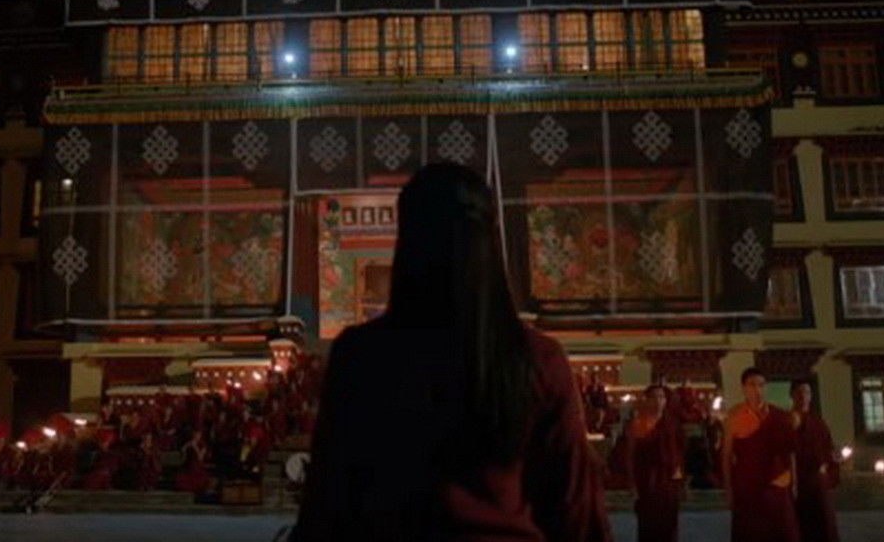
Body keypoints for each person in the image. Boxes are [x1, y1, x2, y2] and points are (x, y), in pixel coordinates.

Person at [290, 164, 610, 542]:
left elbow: (329, 505)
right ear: (491, 245)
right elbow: (576, 513)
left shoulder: (359, 357)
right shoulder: (537, 359)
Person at [722, 367, 800, 542]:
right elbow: (726, 456)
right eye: (752, 385)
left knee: (783, 533)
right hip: (747, 487)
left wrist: (794, 483)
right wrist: (728, 489)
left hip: (777, 483)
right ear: (743, 388)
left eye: (761, 385)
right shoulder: (734, 417)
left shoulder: (780, 416)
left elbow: (790, 453)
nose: (757, 389)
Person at [623, 385, 684, 542]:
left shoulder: (672, 424)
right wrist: (632, 484)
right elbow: (630, 455)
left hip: (668, 482)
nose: (658, 401)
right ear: (647, 400)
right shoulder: (637, 424)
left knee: (669, 526)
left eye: (661, 397)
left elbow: (678, 454)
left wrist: (679, 481)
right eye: (654, 397)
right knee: (648, 526)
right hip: (646, 482)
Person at [790, 380, 840, 542]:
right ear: (792, 396)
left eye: (807, 392)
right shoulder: (787, 422)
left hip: (817, 482)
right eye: (799, 393)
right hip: (797, 482)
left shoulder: (818, 423)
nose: (803, 397)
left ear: (811, 396)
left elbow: (828, 449)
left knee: (823, 525)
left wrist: (832, 461)